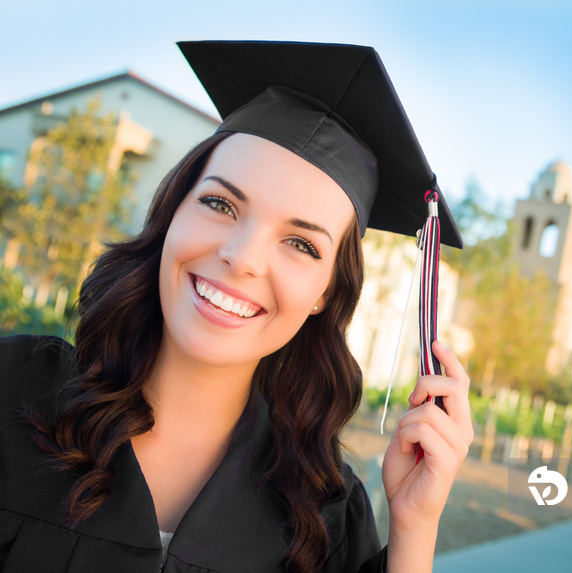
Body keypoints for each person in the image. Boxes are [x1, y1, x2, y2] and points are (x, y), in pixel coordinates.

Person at [0, 41, 473, 572]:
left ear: (325, 293)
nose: (242, 258)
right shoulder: (11, 391)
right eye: (220, 204)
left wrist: (415, 526)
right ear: (172, 212)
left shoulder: (325, 517)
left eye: (301, 244)